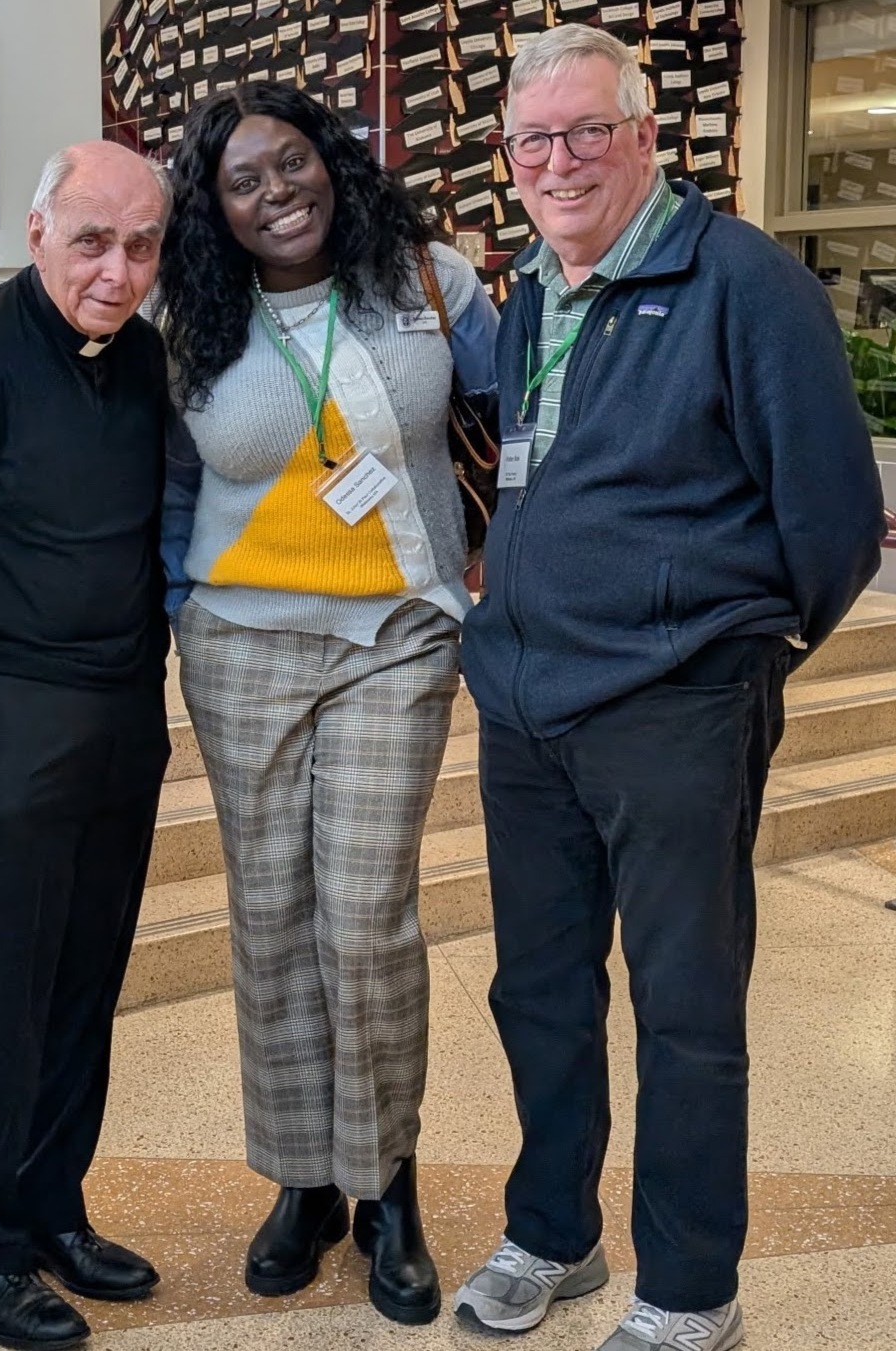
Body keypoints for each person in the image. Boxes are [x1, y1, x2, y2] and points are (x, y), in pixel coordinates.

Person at [451, 26, 884, 1351]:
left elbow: (836, 518)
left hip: (673, 704)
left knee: (685, 1009)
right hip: (526, 702)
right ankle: (554, 1231)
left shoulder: (742, 280)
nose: (560, 160)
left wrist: (728, 650)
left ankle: (690, 1287)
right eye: (534, 140)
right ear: (509, 158)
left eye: (589, 130)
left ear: (647, 136)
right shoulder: (533, 289)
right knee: (538, 989)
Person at [154, 84, 498, 1326]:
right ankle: (303, 1178)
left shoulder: (427, 279)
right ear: (215, 207)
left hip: (396, 635)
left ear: (331, 161)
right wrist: (175, 606)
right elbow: (167, 478)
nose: (275, 194)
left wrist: (498, 567)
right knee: (269, 916)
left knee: (362, 918)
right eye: (242, 181)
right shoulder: (187, 313)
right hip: (240, 641)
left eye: (291, 162)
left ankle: (387, 1180)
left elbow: (518, 419)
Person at [0, 141, 174, 1351]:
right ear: (35, 234)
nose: (116, 271)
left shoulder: (143, 356)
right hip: (8, 715)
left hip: (120, 713)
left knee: (84, 979)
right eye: (91, 242)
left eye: (140, 246)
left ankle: (53, 1205)